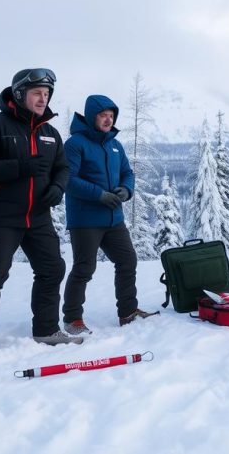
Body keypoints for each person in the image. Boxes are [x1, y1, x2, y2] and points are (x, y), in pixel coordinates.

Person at [0, 69, 81, 347]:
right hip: (2, 217)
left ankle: (46, 330)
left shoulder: (50, 133)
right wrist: (19, 168)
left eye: (46, 94)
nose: (43, 99)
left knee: (52, 269)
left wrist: (57, 187)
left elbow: (62, 167)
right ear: (20, 95)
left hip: (38, 217)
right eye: (36, 93)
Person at [61, 95, 158, 335]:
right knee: (84, 268)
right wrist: (99, 195)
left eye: (111, 116)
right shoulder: (75, 144)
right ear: (92, 116)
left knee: (127, 260)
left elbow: (127, 172)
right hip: (85, 219)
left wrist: (126, 190)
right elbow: (68, 180)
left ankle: (128, 312)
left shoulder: (115, 145)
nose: (108, 120)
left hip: (114, 219)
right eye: (103, 115)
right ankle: (73, 319)